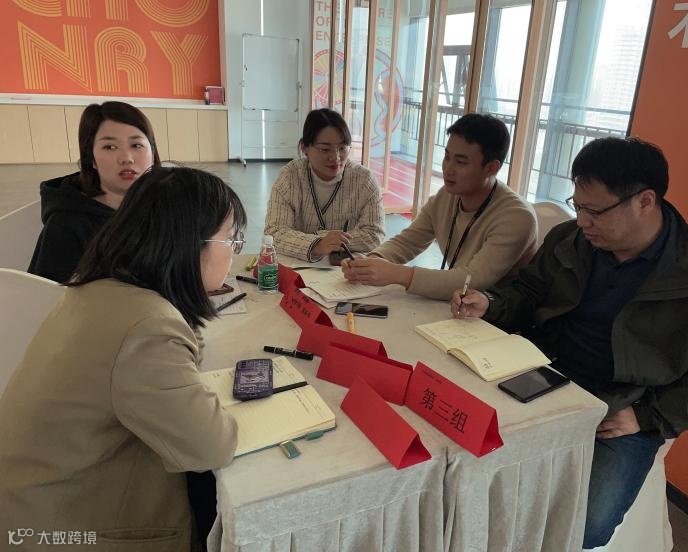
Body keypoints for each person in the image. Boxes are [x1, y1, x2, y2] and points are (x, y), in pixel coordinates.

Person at [451, 137, 688, 547]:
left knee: (585, 520)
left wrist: (646, 416)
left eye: (595, 211)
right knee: (465, 465)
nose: (583, 221)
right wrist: (491, 303)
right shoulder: (569, 239)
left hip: (626, 405)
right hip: (544, 372)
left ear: (645, 201)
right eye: (578, 206)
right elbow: (528, 292)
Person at [0, 167, 247, 551]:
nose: (233, 252)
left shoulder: (98, 286)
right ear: (188, 244)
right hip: (68, 527)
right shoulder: (148, 328)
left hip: (30, 503)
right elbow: (211, 446)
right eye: (230, 239)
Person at [341, 112, 537, 300]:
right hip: (457, 306)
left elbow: (472, 281)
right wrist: (370, 260)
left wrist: (398, 274)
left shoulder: (517, 217)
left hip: (494, 316)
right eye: (447, 157)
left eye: (461, 162)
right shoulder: (447, 196)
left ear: (491, 168)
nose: (448, 169)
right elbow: (408, 242)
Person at [28, 101, 161, 282]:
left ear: (153, 153)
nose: (127, 158)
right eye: (110, 147)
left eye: (136, 145)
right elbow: (46, 294)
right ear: (90, 158)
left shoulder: (173, 210)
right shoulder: (67, 224)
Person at [264, 108, 385, 261]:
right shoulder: (290, 177)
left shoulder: (364, 180)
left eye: (342, 148)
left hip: (346, 268)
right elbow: (274, 232)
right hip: (299, 265)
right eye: (325, 149)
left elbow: (375, 234)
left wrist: (330, 241)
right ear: (304, 147)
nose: (335, 157)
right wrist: (318, 244)